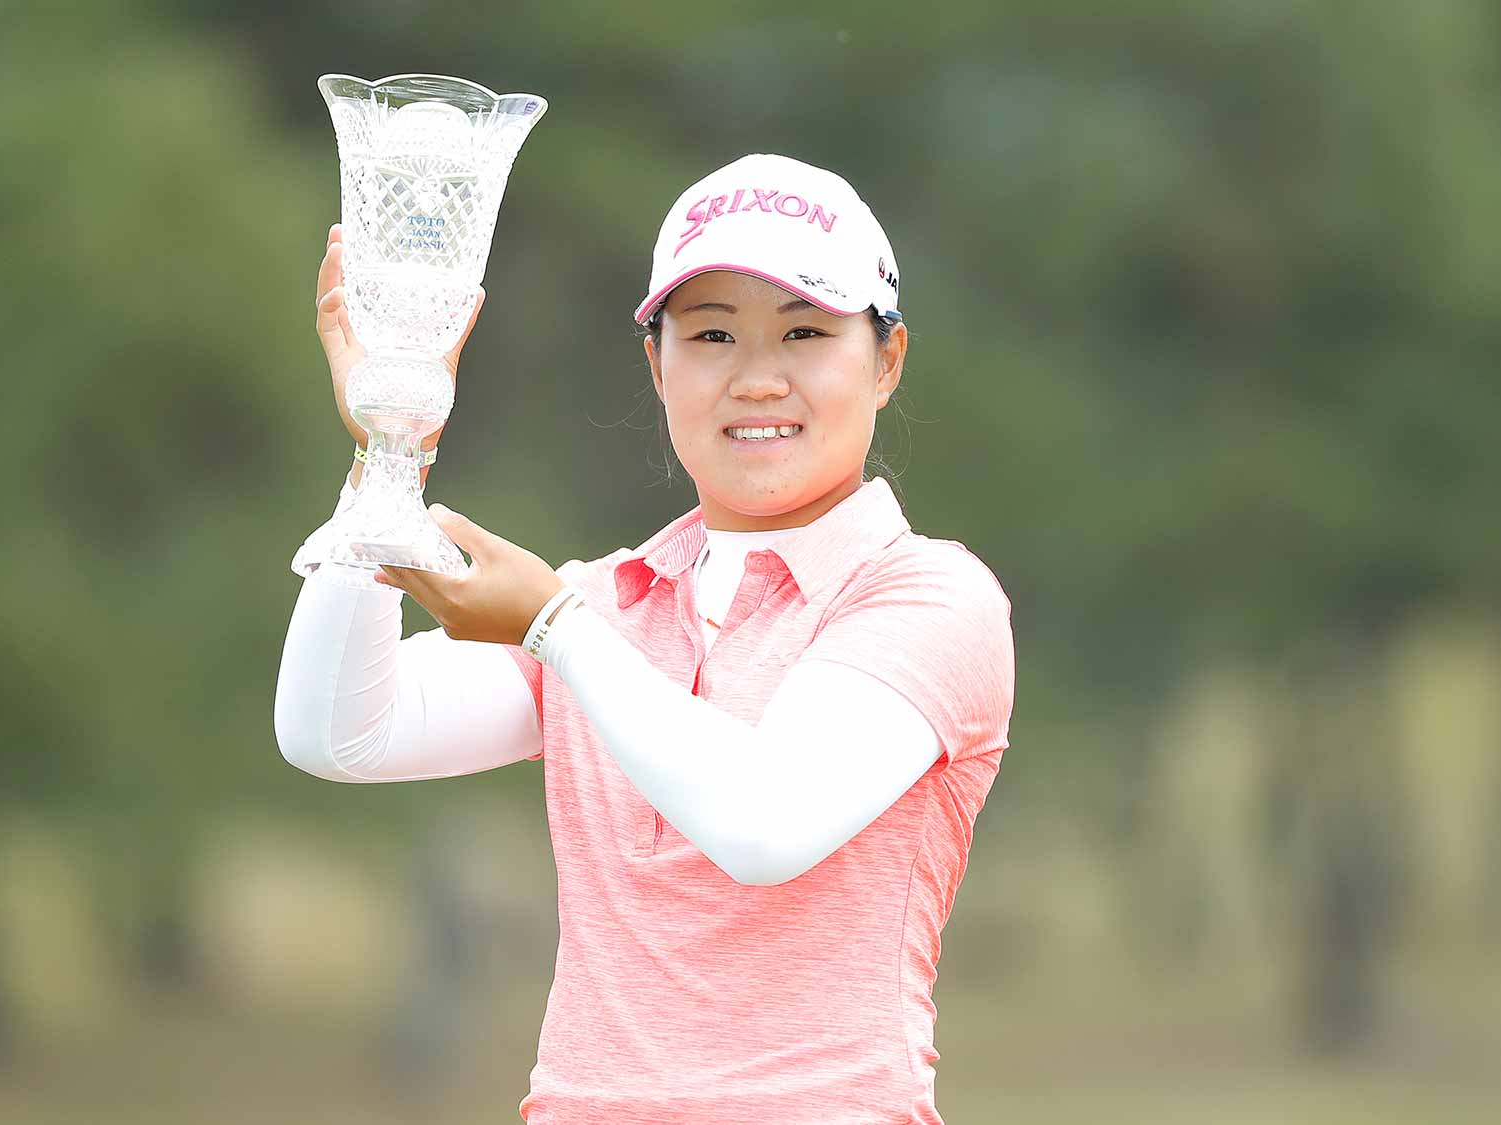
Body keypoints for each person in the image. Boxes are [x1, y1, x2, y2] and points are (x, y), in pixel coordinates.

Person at [274, 152, 1015, 1125]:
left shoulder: (929, 596)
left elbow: (764, 824)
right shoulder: (609, 606)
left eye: (803, 332)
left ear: (885, 361)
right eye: (710, 334)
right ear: (655, 362)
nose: (756, 379)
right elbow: (339, 733)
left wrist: (553, 629)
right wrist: (390, 451)